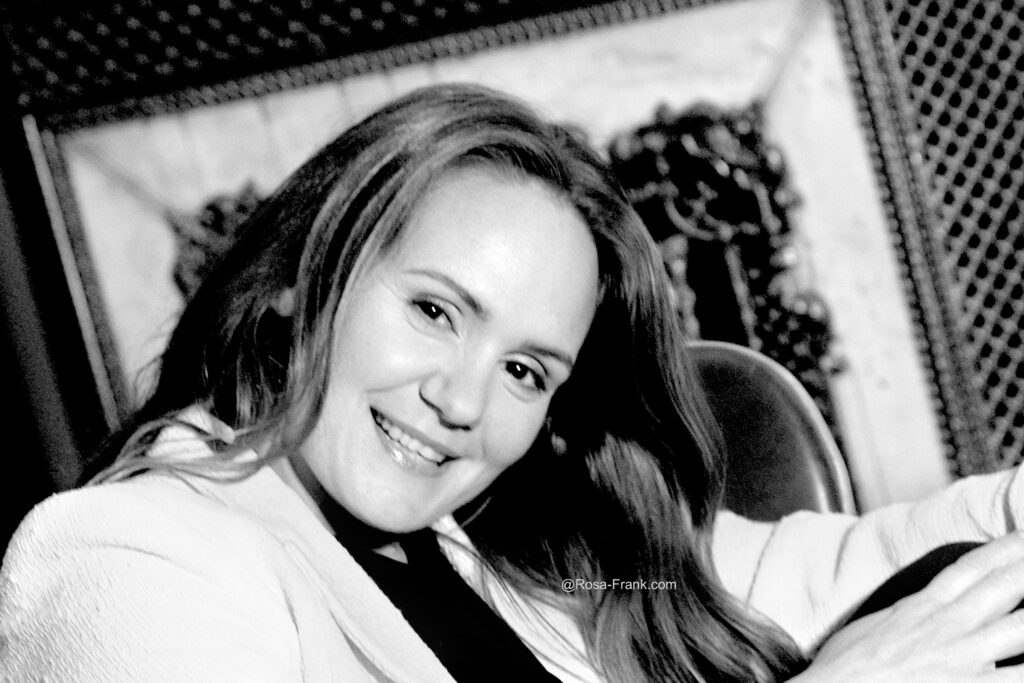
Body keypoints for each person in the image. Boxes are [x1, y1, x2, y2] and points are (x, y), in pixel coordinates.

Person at [2, 83, 1024, 682]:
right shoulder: (129, 554)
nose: (461, 401)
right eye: (434, 311)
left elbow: (864, 559)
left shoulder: (527, 553)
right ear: (299, 284)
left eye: (525, 369)